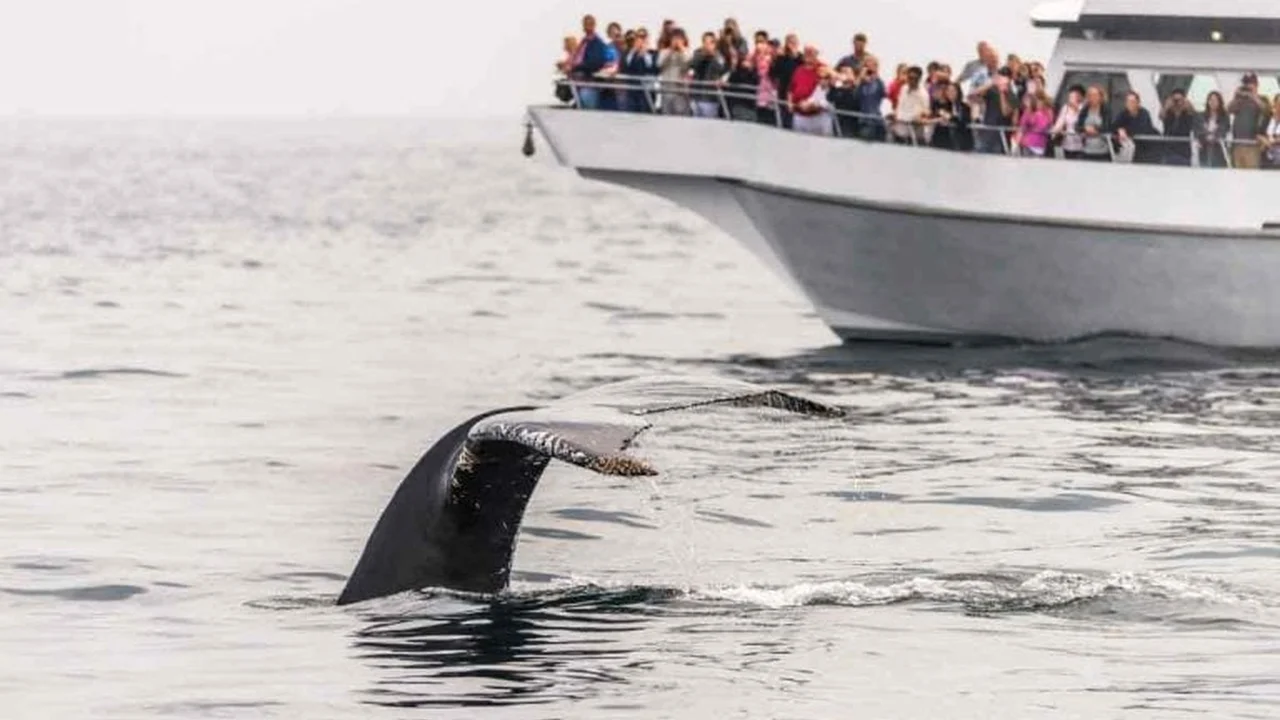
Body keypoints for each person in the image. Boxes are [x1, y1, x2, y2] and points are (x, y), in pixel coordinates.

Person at [969, 68, 1016, 154]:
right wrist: (990, 84)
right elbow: (972, 96)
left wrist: (1002, 93)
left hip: (1001, 137)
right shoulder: (992, 91)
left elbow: (1005, 112)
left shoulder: (1012, 95)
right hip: (986, 132)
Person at [1228, 73, 1268, 169]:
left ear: (1256, 84)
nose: (1247, 85)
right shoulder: (1240, 99)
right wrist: (1236, 96)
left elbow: (1266, 110)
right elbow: (1229, 109)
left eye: (1250, 83)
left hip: (1252, 145)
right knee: (1237, 175)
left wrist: (1253, 96)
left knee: (1252, 175)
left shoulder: (1262, 99)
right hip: (1237, 144)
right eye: (1245, 83)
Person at [568, 15, 608, 110]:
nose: (587, 26)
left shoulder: (597, 43)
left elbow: (595, 63)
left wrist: (575, 67)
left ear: (594, 25)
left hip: (589, 85)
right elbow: (577, 57)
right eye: (586, 24)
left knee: (589, 111)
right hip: (579, 84)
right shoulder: (584, 41)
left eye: (590, 24)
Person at [789, 46, 831, 135]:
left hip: (817, 117)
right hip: (799, 115)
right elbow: (791, 89)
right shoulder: (798, 70)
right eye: (806, 52)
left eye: (811, 53)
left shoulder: (822, 68)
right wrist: (790, 103)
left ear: (816, 55)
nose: (808, 55)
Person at [1112, 91, 1160, 164]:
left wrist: (1124, 130)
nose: (1130, 104)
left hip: (1148, 147)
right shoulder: (1123, 113)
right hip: (1134, 148)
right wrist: (1119, 130)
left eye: (1132, 101)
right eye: (1128, 101)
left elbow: (1141, 129)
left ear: (1138, 103)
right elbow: (1113, 126)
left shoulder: (1144, 113)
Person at [690, 32, 728, 118]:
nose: (707, 45)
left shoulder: (719, 56)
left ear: (715, 44)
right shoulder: (697, 53)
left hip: (711, 98)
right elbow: (692, 65)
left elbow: (722, 69)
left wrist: (713, 56)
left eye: (711, 42)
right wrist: (704, 55)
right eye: (705, 42)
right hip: (696, 96)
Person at [769, 34, 803, 128]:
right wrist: (774, 59)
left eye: (794, 42)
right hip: (783, 92)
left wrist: (795, 55)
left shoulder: (801, 59)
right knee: (785, 119)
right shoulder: (782, 58)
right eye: (790, 42)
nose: (792, 45)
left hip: (797, 94)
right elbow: (772, 74)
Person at [890, 65, 930, 145]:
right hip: (899, 128)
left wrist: (920, 116)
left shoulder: (923, 94)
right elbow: (899, 105)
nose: (911, 81)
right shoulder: (904, 88)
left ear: (919, 79)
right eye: (909, 77)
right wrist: (895, 114)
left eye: (914, 78)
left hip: (913, 131)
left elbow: (926, 111)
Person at [928, 81, 972, 151]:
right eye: (948, 91)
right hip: (943, 141)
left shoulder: (964, 107)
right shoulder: (942, 106)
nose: (950, 93)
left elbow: (963, 122)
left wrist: (950, 118)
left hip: (961, 142)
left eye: (953, 91)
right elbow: (937, 116)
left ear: (958, 92)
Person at [657, 29, 692, 115]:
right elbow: (659, 64)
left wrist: (681, 49)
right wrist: (671, 50)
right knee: (666, 116)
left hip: (681, 92)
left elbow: (689, 65)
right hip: (667, 90)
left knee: (681, 118)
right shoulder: (664, 52)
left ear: (684, 40)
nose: (676, 41)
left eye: (679, 39)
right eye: (674, 39)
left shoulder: (688, 52)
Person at [622, 29, 658, 112]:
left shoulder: (653, 53)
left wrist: (644, 53)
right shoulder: (629, 53)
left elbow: (653, 68)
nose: (641, 40)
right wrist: (635, 50)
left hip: (647, 92)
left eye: (643, 37)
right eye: (639, 37)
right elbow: (626, 65)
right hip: (632, 91)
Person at [853, 55, 887, 141]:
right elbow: (855, 95)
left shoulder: (879, 82)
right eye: (867, 65)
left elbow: (884, 93)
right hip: (864, 120)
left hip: (877, 119)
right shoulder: (862, 84)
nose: (870, 67)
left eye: (873, 65)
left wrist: (876, 76)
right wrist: (861, 77)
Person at [1159, 88, 1196, 166]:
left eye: (1179, 100)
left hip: (1183, 151)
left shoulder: (1187, 112)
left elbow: (1196, 118)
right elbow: (1161, 116)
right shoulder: (1168, 112)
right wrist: (1166, 106)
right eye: (1175, 100)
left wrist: (1189, 106)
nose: (1177, 102)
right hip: (1168, 149)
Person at [1076, 85, 1112, 162]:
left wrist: (1094, 129)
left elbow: (1107, 127)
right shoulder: (1085, 109)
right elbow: (1077, 126)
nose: (1093, 97)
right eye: (1090, 95)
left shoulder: (1106, 109)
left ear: (1100, 96)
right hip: (1086, 151)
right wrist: (1085, 128)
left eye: (1095, 95)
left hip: (1103, 152)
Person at [1013, 90, 1054, 157]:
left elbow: (1048, 126)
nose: (1039, 103)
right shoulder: (1028, 112)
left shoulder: (1047, 112)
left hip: (1040, 145)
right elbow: (1021, 128)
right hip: (1028, 144)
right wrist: (1016, 145)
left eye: (1040, 101)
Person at [750, 33, 778, 126]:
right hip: (760, 98)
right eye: (757, 42)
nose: (759, 44)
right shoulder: (753, 57)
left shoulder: (772, 58)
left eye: (762, 42)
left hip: (771, 98)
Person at [1197, 91, 1230, 168]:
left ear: (1219, 102)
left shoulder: (1224, 117)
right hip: (1204, 151)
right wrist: (1208, 134)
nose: (1212, 102)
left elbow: (1222, 131)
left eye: (1215, 100)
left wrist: (1211, 134)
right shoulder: (1200, 116)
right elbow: (1199, 131)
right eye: (1210, 100)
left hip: (1219, 151)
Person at [724, 47, 759, 121]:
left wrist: (750, 70)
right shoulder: (738, 71)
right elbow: (734, 79)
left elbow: (755, 81)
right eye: (746, 60)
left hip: (751, 105)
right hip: (739, 105)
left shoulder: (754, 72)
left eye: (750, 60)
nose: (748, 62)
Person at [1051, 85, 1085, 159]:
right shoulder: (1065, 108)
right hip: (1067, 143)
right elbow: (1060, 121)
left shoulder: (1084, 108)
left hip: (1081, 144)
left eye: (1075, 96)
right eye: (1070, 96)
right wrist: (1055, 132)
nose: (1072, 99)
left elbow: (1084, 121)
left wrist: (1076, 108)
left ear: (1081, 97)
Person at [827, 66, 861, 138]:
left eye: (847, 72)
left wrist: (852, 83)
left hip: (851, 123)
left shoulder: (856, 89)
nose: (844, 74)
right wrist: (833, 86)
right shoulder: (838, 89)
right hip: (838, 122)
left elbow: (855, 101)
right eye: (842, 72)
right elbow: (829, 98)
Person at [1262, 96, 1280, 170]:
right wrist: (1264, 140)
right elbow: (1259, 133)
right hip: (1267, 155)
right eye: (1278, 103)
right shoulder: (1268, 117)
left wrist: (1274, 141)